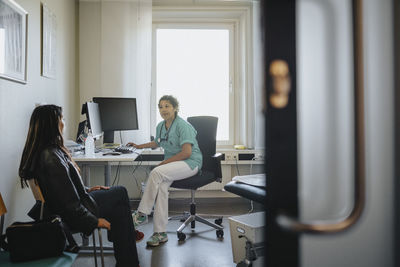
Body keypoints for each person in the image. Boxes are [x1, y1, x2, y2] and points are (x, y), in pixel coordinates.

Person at [19, 105, 140, 267]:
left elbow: (63, 191)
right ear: (51, 124)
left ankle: (125, 248)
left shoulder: (50, 152)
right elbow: (68, 205)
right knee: (120, 195)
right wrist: (94, 222)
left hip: (72, 207)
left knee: (118, 201)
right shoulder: (50, 157)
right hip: (68, 216)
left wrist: (87, 189)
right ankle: (127, 250)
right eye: (61, 119)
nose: (64, 123)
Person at [128, 95, 202, 247]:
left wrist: (164, 162)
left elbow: (187, 153)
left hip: (190, 163)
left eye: (167, 106)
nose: (163, 110)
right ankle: (160, 233)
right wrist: (138, 146)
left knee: (156, 172)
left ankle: (141, 214)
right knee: (161, 188)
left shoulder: (183, 126)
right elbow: (156, 142)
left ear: (175, 108)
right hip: (174, 165)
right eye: (161, 107)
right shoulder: (161, 126)